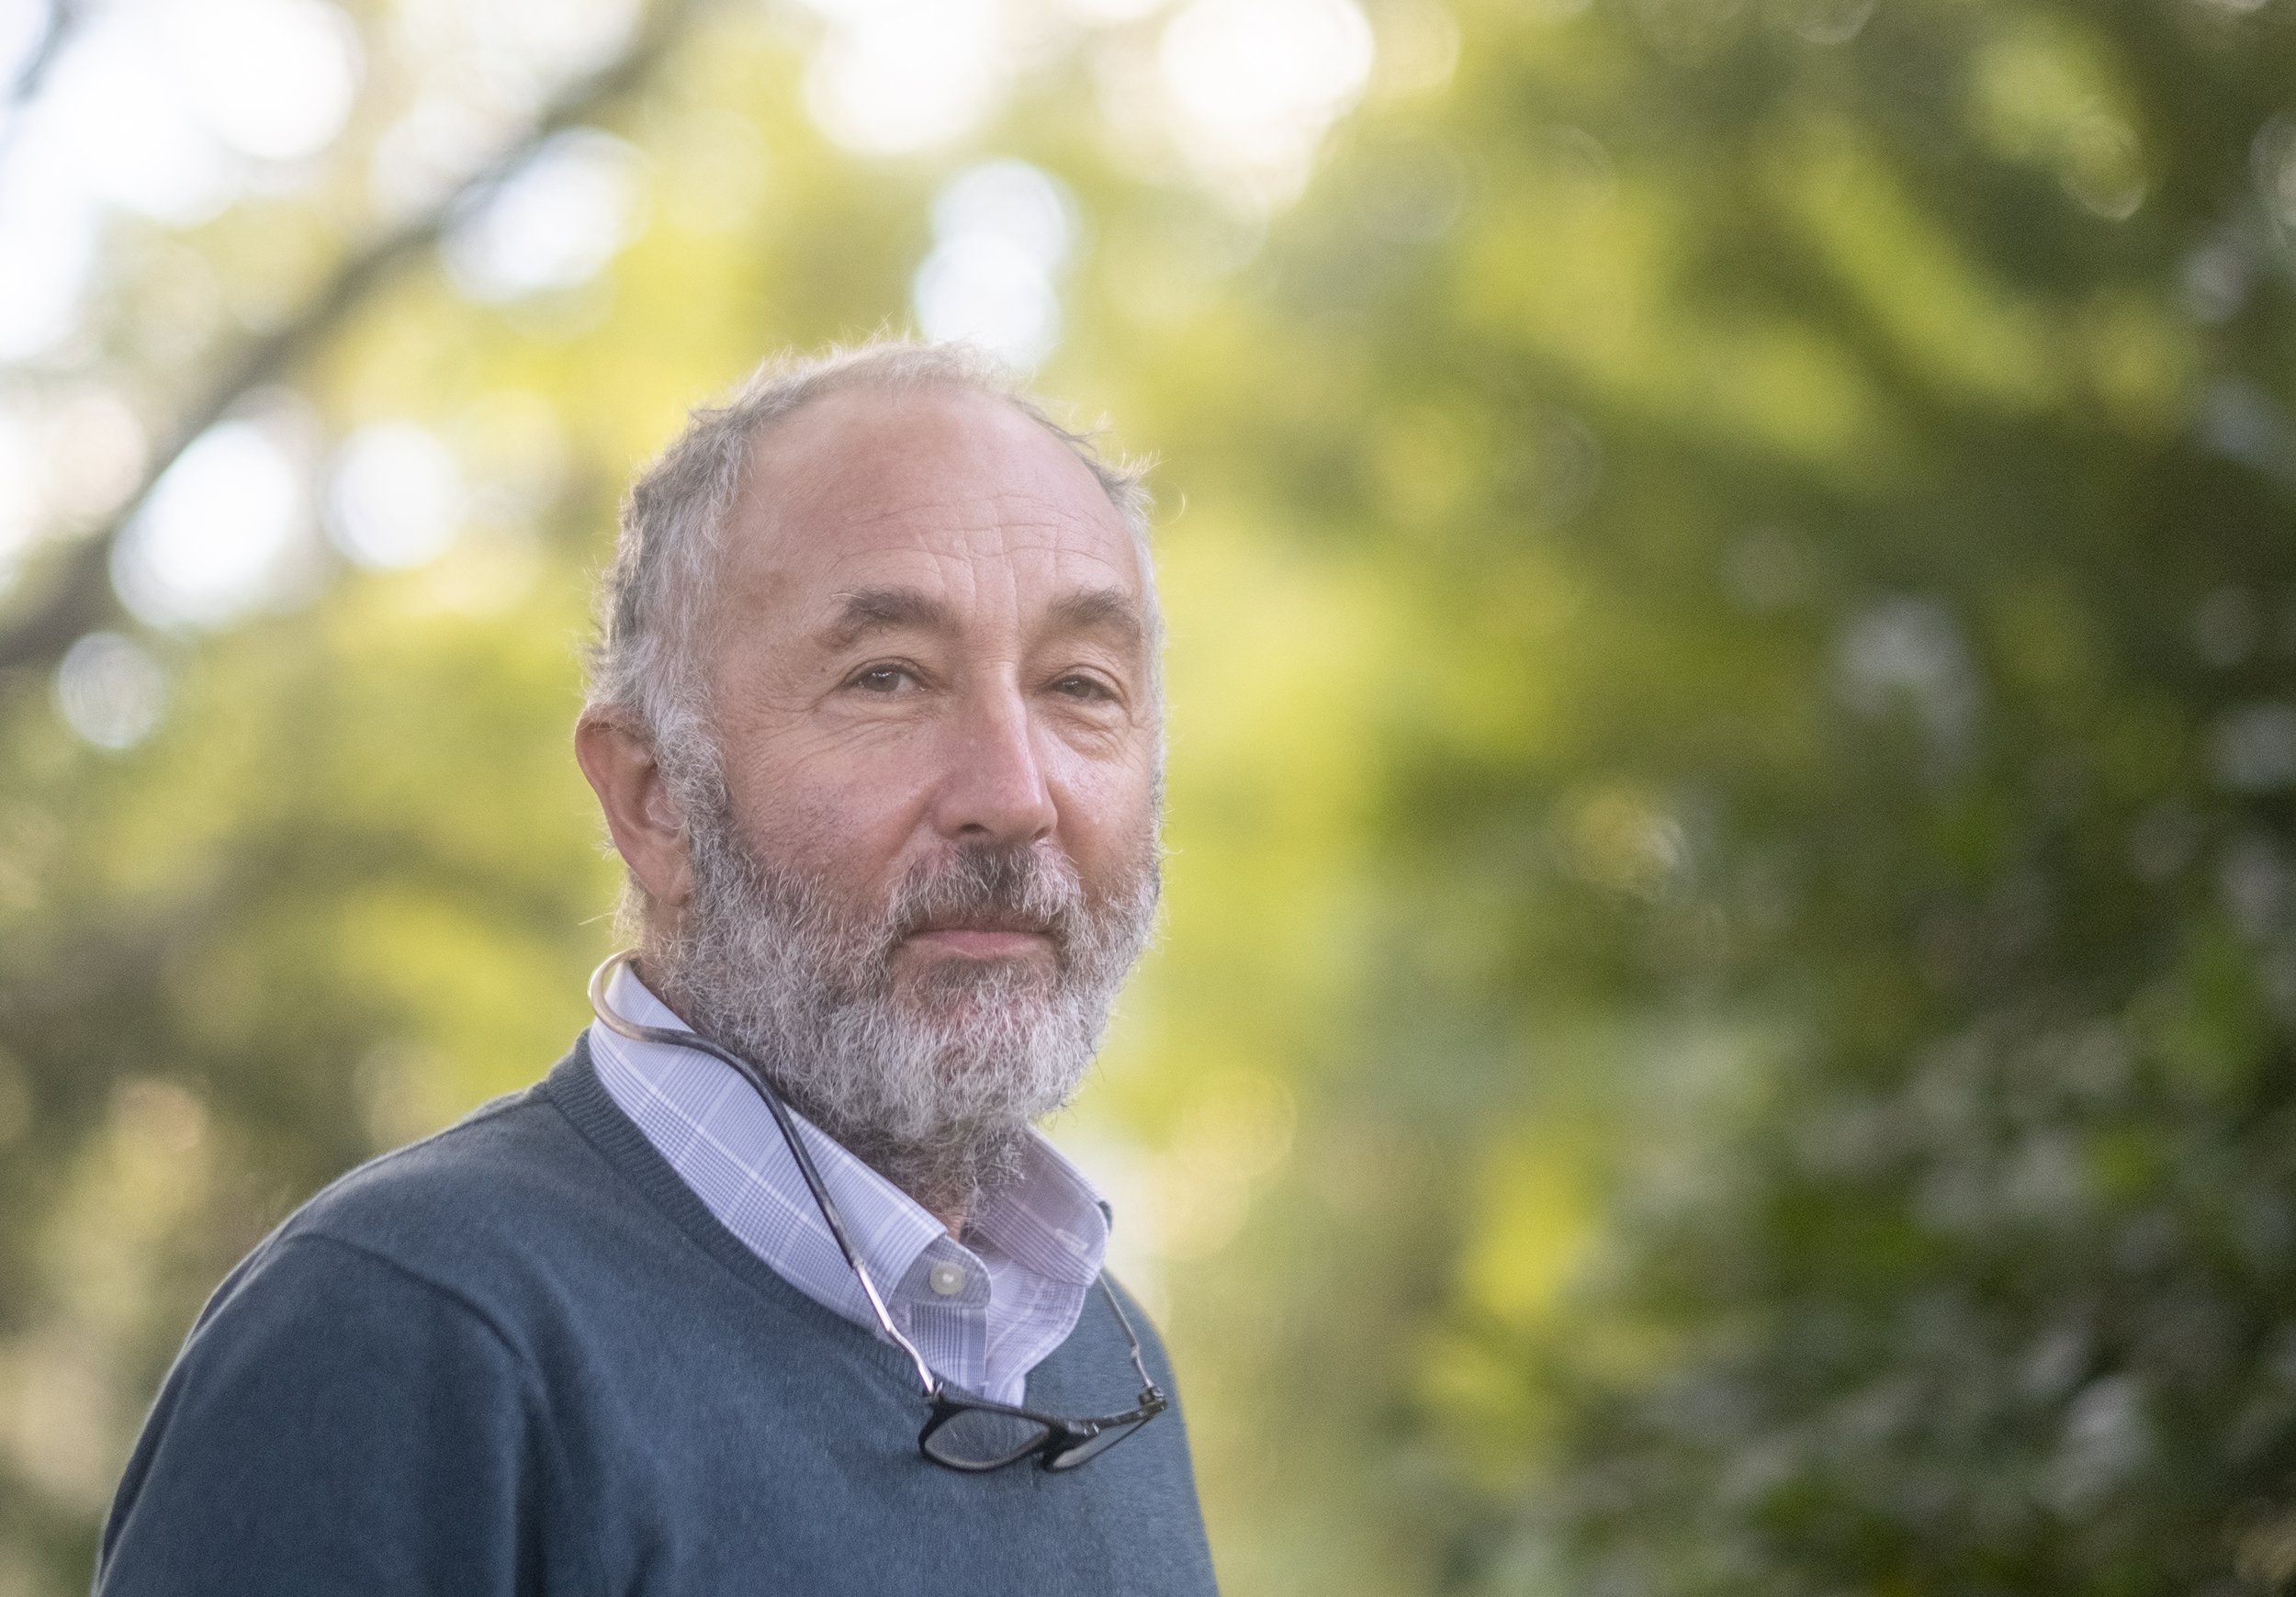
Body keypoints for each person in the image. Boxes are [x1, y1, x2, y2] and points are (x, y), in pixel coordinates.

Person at [92, 342, 1220, 1596]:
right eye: (886, 678)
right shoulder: (406, 1338)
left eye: (1081, 685)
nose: (1014, 795)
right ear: (654, 799)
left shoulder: (1110, 1369)